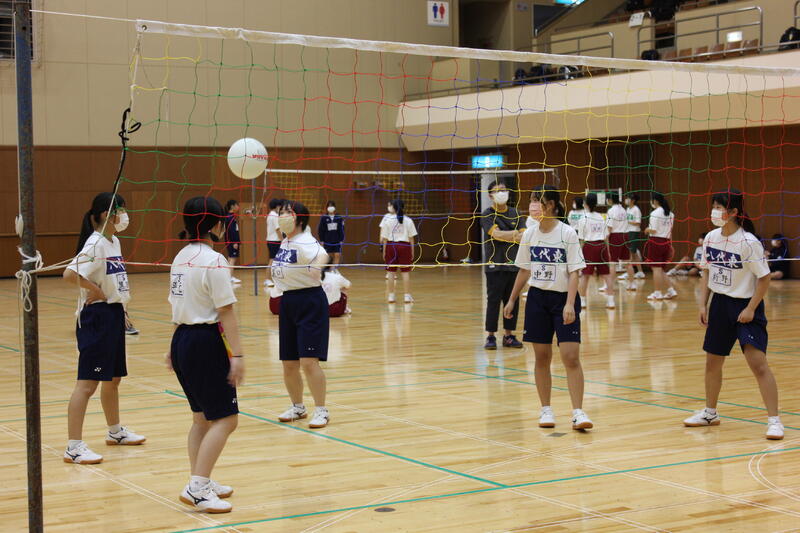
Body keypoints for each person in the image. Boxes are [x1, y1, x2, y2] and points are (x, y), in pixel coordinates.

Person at [683, 188, 783, 440]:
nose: (714, 212)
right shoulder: (710, 238)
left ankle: (774, 421)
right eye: (713, 206)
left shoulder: (748, 242)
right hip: (720, 305)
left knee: (758, 364)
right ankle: (710, 413)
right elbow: (706, 272)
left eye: (719, 207)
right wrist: (703, 304)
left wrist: (750, 308)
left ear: (734, 212)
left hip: (745, 306)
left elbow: (764, 278)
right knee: (712, 362)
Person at [167, 196, 244, 513]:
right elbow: (226, 310)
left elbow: (178, 304)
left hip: (182, 339)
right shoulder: (215, 260)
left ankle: (201, 479)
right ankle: (197, 486)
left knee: (201, 418)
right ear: (216, 224)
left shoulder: (180, 256)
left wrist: (172, 347)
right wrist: (238, 356)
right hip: (204, 342)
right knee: (226, 419)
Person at [62, 192, 146, 465]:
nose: (124, 215)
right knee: (87, 384)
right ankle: (73, 446)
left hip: (113, 314)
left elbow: (115, 280)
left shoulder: (114, 241)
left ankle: (115, 432)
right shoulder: (95, 243)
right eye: (120, 209)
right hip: (97, 318)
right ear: (104, 214)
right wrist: (96, 290)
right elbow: (69, 274)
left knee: (113, 379)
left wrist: (122, 309)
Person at [504, 185, 593, 431]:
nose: (532, 206)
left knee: (570, 356)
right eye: (531, 201)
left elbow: (575, 272)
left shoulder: (567, 233)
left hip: (563, 299)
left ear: (551, 205)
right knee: (542, 357)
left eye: (537, 201)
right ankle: (546, 409)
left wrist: (570, 303)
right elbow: (524, 269)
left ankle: (578, 412)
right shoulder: (530, 234)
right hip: (537, 299)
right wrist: (512, 299)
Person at [272, 201, 331, 429]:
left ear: (299, 218)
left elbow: (323, 254)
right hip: (288, 301)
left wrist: (317, 268)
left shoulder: (306, 240)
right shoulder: (286, 241)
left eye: (287, 212)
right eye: (280, 213)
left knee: (308, 362)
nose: (282, 216)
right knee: (289, 363)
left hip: (309, 301)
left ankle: (322, 410)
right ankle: (298, 407)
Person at [479, 180, 525, 350]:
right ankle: (491, 336)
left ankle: (509, 335)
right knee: (493, 301)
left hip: (513, 263)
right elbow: (496, 235)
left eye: (503, 190)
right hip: (494, 264)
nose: (501, 193)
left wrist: (508, 235)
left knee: (512, 300)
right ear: (491, 195)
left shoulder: (516, 213)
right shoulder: (487, 214)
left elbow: (524, 236)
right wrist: (515, 234)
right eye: (497, 191)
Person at [578, 193, 615, 309]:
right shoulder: (601, 217)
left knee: (585, 275)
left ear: (585, 203)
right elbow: (606, 236)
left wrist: (579, 254)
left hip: (589, 246)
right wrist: (608, 251)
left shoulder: (583, 218)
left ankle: (582, 301)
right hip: (602, 246)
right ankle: (611, 301)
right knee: (607, 275)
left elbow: (581, 239)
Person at [380, 199, 417, 303]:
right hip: (404, 246)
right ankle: (407, 296)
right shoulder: (408, 220)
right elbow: (411, 238)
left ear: (393, 207)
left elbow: (385, 238)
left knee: (391, 273)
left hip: (391, 246)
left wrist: (384, 252)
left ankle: (391, 296)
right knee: (405, 272)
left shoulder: (387, 220)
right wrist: (412, 251)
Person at [644, 192, 677, 300]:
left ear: (655, 201)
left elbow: (653, 230)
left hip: (656, 242)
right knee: (661, 269)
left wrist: (646, 230)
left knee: (656, 269)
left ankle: (657, 293)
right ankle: (671, 290)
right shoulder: (671, 214)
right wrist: (671, 245)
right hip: (666, 242)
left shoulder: (655, 213)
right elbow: (670, 231)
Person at [606, 192, 631, 291]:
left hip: (615, 236)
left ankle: (609, 286)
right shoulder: (623, 209)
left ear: (610, 200)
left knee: (612, 263)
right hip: (626, 235)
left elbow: (609, 227)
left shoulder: (611, 211)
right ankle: (632, 284)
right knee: (627, 262)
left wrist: (605, 238)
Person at [619, 193, 645, 282]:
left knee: (630, 252)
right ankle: (640, 271)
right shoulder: (627, 209)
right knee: (634, 252)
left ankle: (629, 272)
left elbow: (638, 223)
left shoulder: (636, 210)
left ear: (633, 200)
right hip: (628, 231)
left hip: (634, 232)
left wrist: (627, 221)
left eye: (628, 198)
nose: (626, 200)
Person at [318, 200, 345, 268]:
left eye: (332, 206)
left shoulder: (338, 217)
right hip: (327, 240)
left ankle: (334, 269)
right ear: (327, 208)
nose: (330, 207)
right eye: (329, 206)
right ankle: (329, 269)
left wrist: (341, 239)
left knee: (337, 255)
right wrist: (322, 240)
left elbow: (342, 229)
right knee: (329, 256)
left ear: (334, 207)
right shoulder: (324, 218)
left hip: (337, 240)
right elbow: (321, 229)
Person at [264, 198, 284, 288]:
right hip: (275, 241)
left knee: (275, 261)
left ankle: (273, 279)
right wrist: (283, 240)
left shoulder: (270, 215)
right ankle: (267, 279)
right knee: (272, 260)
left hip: (271, 240)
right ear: (277, 206)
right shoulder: (274, 216)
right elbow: (277, 229)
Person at [224, 199, 242, 284]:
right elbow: (232, 231)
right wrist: (235, 242)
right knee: (232, 259)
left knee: (230, 258)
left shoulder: (230, 216)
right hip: (232, 242)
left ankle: (229, 276)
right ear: (232, 206)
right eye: (237, 205)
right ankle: (230, 278)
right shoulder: (230, 218)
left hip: (229, 241)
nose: (238, 207)